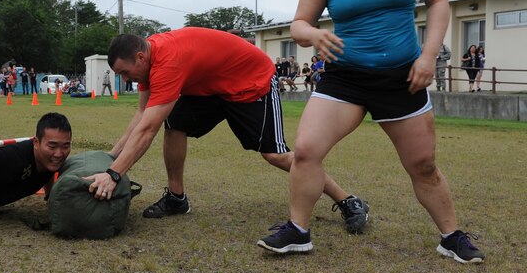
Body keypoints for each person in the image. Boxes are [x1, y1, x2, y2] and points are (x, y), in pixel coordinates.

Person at [258, 0, 483, 263]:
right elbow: (298, 24)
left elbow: (439, 1)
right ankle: (297, 230)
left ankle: (451, 236)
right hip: (345, 78)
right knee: (307, 152)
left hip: (402, 76)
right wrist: (313, 33)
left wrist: (428, 56)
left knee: (423, 165)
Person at [86, 28, 369, 234]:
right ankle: (176, 198)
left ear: (139, 56)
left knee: (275, 155)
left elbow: (147, 129)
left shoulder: (166, 61)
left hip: (251, 82)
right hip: (214, 87)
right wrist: (110, 158)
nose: (125, 79)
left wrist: (113, 175)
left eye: (125, 73)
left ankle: (348, 201)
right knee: (175, 124)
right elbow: (141, 114)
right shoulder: (146, 63)